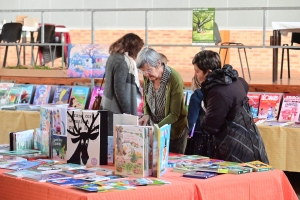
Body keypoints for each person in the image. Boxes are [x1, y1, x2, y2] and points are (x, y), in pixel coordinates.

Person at [193, 50, 269, 163]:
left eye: (197, 71)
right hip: (252, 137)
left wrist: (202, 119)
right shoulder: (234, 80)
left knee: (238, 178)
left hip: (234, 145)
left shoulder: (217, 91)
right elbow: (245, 85)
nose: (195, 75)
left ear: (208, 72)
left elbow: (211, 125)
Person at [137, 47, 188, 154]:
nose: (146, 74)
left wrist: (155, 129)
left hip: (173, 132)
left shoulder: (174, 79)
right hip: (153, 129)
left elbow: (174, 114)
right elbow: (146, 98)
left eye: (149, 70)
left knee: (170, 164)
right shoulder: (148, 76)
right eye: (143, 71)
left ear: (159, 63)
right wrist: (146, 114)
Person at [100, 33, 144, 115]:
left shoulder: (113, 56)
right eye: (139, 49)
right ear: (133, 48)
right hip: (117, 110)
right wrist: (127, 111)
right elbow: (120, 89)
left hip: (109, 105)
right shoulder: (122, 61)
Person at [184, 76, 214, 157]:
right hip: (213, 136)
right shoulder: (215, 92)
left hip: (198, 136)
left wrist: (187, 132)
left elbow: (192, 118)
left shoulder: (197, 95)